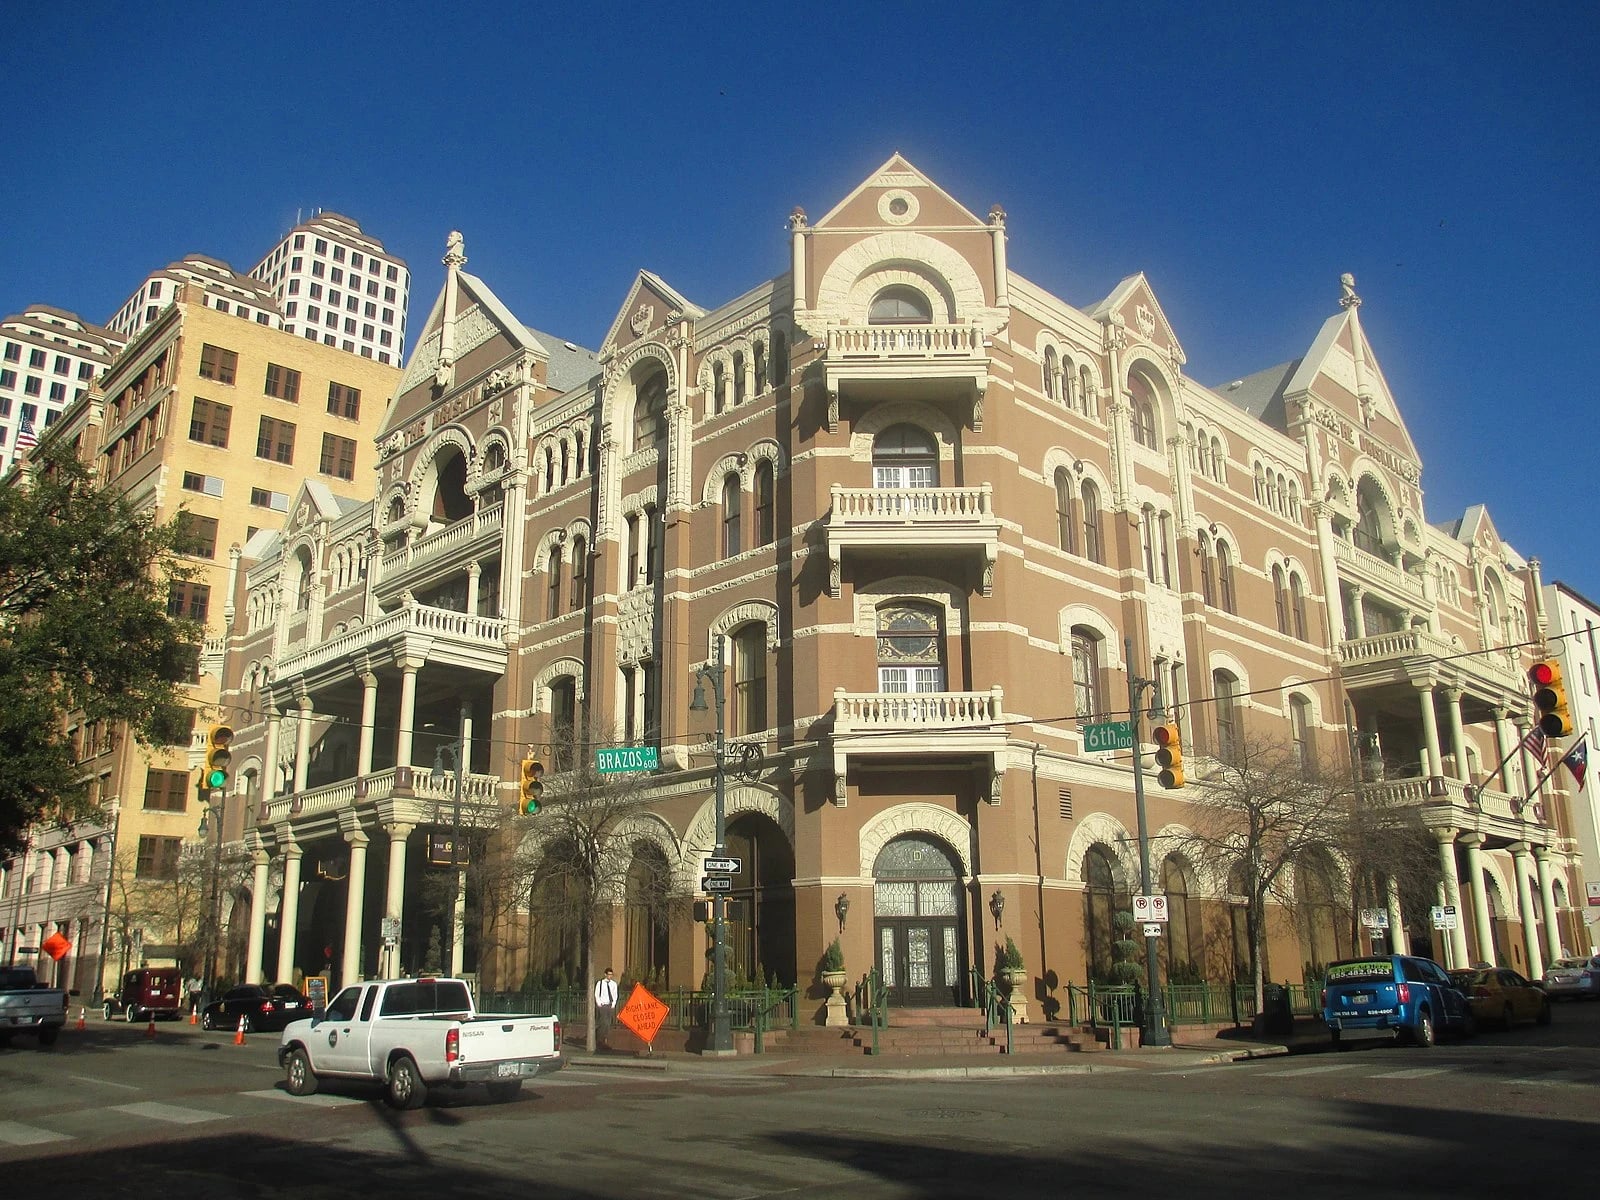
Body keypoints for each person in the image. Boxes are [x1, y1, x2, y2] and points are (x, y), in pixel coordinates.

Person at [594, 968, 619, 1040]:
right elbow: (597, 994)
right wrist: (599, 1003)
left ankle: (603, 1037)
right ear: (605, 974)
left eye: (611, 975)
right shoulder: (600, 983)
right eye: (609, 974)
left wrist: (613, 1004)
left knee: (608, 1023)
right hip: (603, 1005)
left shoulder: (613, 984)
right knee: (604, 1022)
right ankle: (600, 1037)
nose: (610, 976)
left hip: (610, 1005)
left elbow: (615, 995)